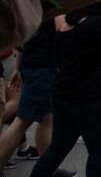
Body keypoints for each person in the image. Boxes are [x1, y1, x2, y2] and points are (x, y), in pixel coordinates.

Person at [29, 0, 101, 177]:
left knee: (57, 148)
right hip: (93, 97)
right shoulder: (97, 24)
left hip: (64, 95)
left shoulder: (66, 25)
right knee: (98, 151)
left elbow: (59, 60)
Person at [0, 21, 60, 173]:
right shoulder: (55, 3)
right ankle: (47, 171)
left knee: (41, 118)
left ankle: (48, 170)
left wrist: (19, 66)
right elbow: (61, 32)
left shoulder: (36, 1)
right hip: (44, 66)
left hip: (35, 63)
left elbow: (24, 34)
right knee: (26, 119)